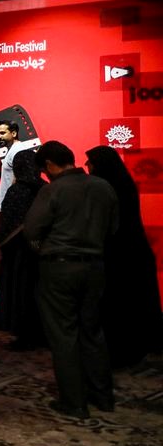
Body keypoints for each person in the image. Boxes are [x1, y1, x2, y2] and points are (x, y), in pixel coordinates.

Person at [24, 141, 118, 418]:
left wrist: (43, 250)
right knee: (93, 331)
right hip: (95, 266)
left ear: (49, 165)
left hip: (59, 267)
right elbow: (113, 229)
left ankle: (74, 402)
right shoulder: (103, 187)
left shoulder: (53, 190)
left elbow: (32, 230)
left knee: (63, 334)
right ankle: (103, 396)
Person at [85, 145, 163, 367]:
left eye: (91, 162)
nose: (87, 165)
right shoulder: (122, 183)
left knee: (120, 303)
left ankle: (122, 351)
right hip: (131, 251)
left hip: (119, 254)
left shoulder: (106, 188)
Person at [0, 149, 45, 351]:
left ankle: (22, 334)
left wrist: (1, 246)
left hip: (16, 250)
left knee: (19, 291)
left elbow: (7, 223)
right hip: (40, 249)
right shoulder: (45, 188)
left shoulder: (16, 191)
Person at [0, 121, 40, 213]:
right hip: (11, 203)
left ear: (14, 133)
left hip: (15, 204)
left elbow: (19, 178)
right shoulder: (12, 150)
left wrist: (12, 200)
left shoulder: (18, 150)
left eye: (2, 133)